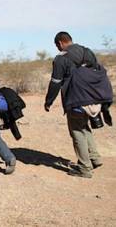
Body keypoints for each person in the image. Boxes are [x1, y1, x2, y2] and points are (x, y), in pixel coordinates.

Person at [44, 32, 108, 178]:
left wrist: (48, 101)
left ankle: (84, 168)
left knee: (77, 131)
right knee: (84, 127)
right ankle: (95, 158)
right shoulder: (87, 52)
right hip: (93, 97)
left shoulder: (61, 59)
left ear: (60, 43)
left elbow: (55, 82)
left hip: (76, 100)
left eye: (57, 46)